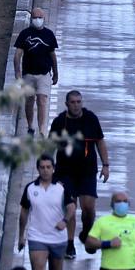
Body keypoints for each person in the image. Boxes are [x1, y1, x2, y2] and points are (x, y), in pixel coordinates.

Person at [50, 90, 111, 260]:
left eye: (79, 102)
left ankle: (88, 230)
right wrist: (47, 169)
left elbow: (100, 141)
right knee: (70, 207)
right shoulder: (60, 122)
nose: (76, 105)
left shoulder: (90, 119)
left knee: (88, 206)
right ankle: (70, 244)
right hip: (65, 171)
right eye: (73, 102)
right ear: (67, 104)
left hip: (87, 171)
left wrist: (106, 165)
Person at [18, 155, 74, 270]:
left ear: (53, 168)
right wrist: (21, 236)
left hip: (58, 238)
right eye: (42, 167)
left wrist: (65, 221)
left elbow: (71, 207)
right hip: (37, 237)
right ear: (38, 169)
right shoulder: (30, 188)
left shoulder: (62, 187)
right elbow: (24, 212)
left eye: (48, 167)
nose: (45, 170)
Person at [13, 9, 59, 135]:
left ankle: (42, 128)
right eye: (35, 17)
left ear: (44, 18)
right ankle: (30, 126)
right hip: (28, 74)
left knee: (42, 100)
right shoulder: (25, 34)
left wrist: (55, 73)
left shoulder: (49, 34)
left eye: (40, 17)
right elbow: (17, 55)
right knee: (29, 101)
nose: (37, 19)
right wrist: (17, 73)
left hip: (44, 74)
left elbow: (53, 55)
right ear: (31, 18)